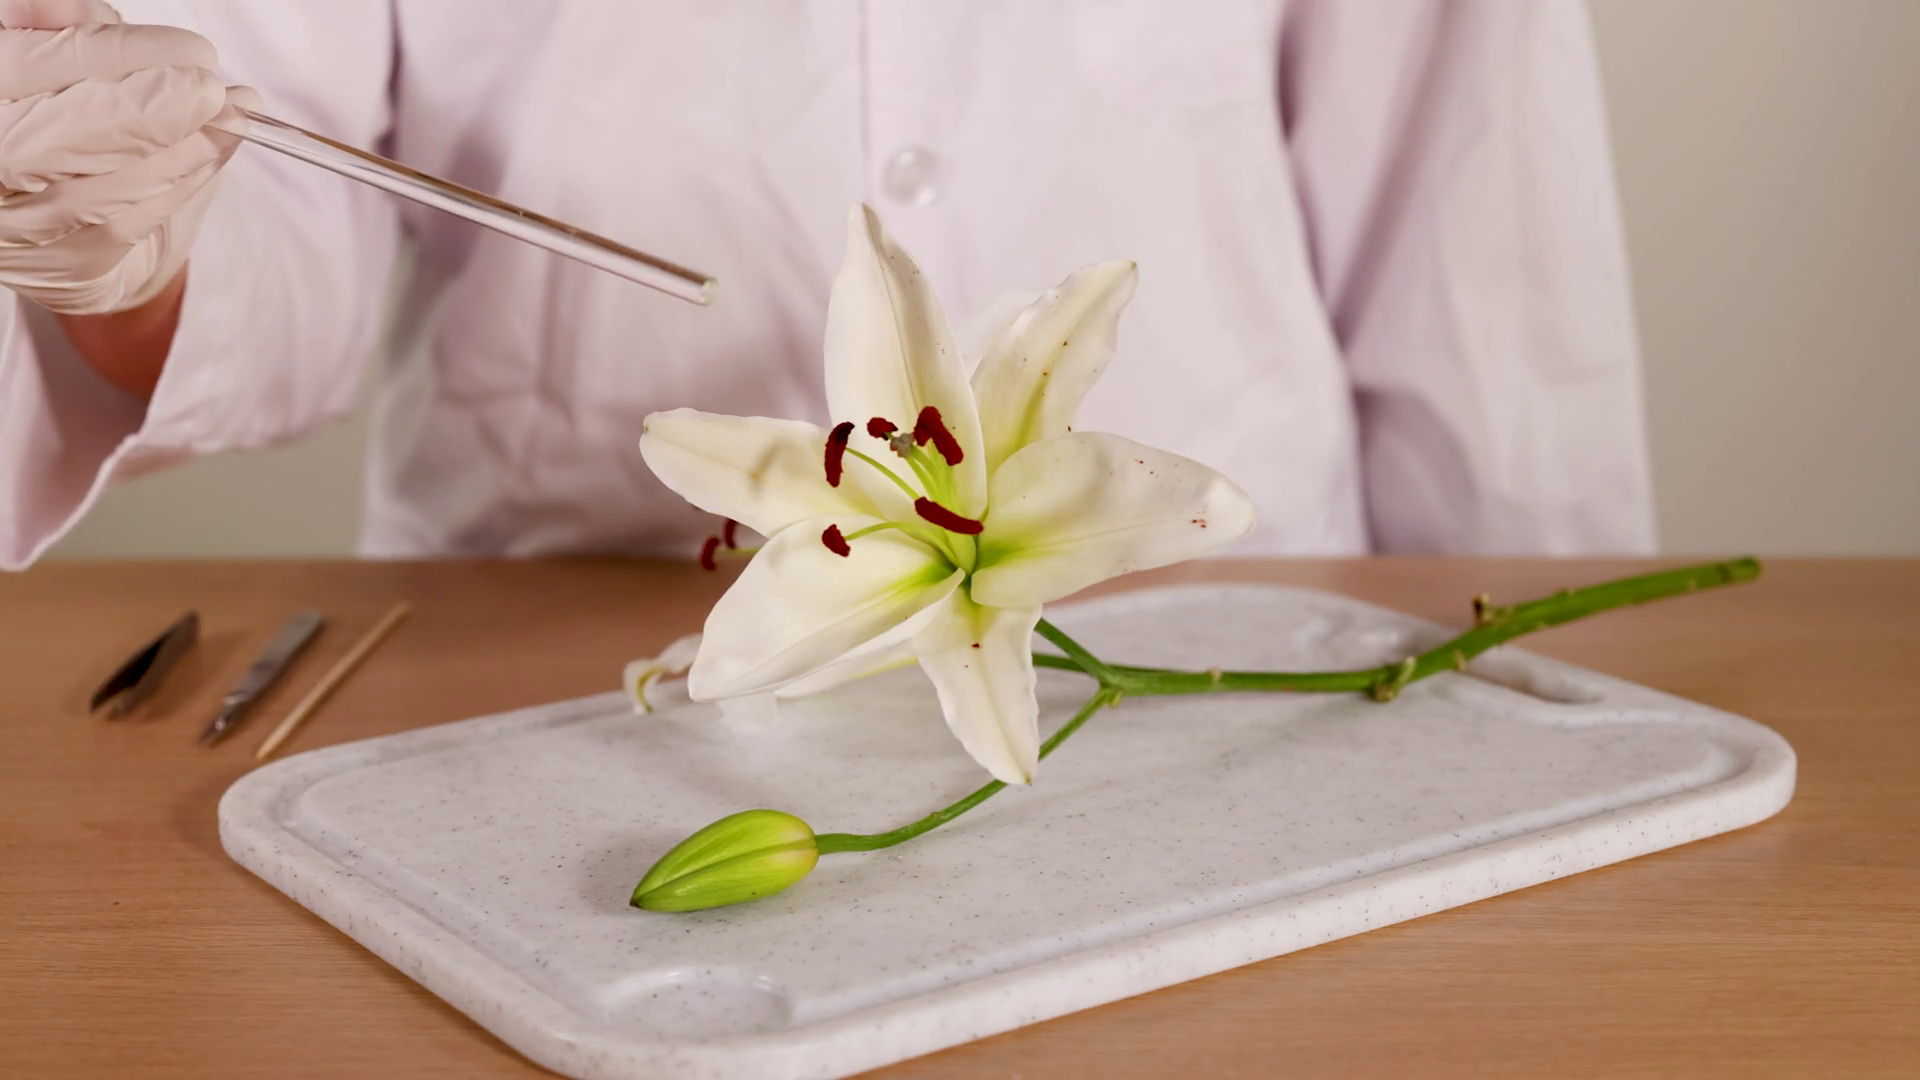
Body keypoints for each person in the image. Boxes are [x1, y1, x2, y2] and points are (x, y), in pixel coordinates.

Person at [0, 0, 1655, 570]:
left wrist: (1536, 692)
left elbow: (1470, 227)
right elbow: (266, 188)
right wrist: (113, 238)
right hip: (555, 643)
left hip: (1221, 623)